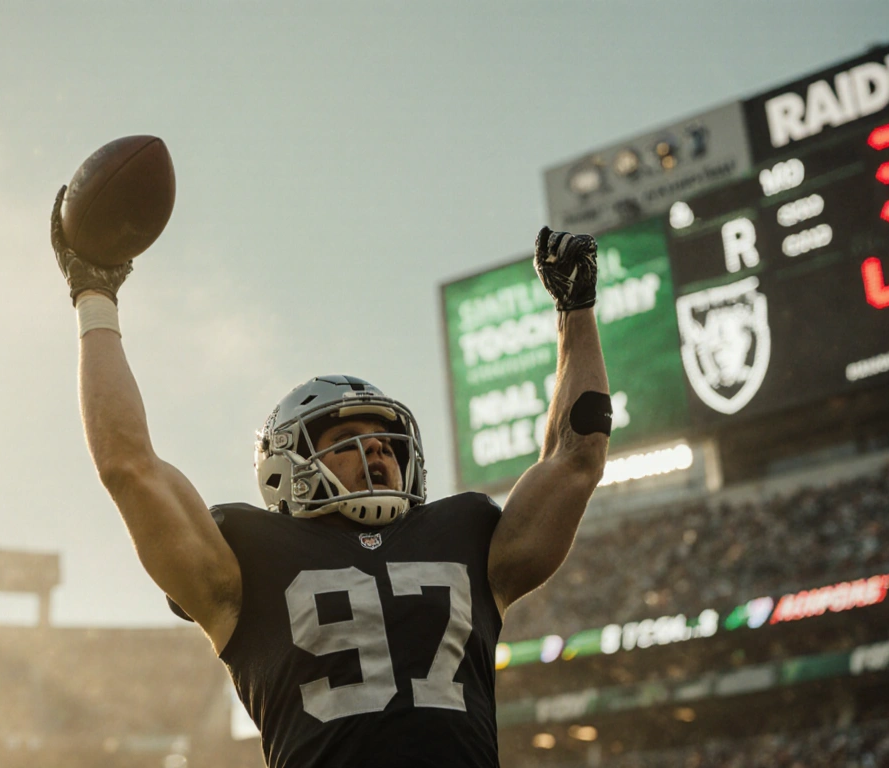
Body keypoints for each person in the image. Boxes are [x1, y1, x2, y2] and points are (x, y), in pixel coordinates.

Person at [50, 187, 610, 768]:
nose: (378, 454)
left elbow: (577, 459)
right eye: (348, 442)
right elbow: (129, 465)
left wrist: (577, 311)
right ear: (283, 467)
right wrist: (94, 293)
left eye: (388, 442)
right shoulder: (244, 561)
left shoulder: (466, 534)